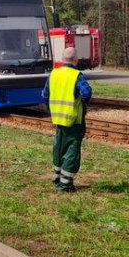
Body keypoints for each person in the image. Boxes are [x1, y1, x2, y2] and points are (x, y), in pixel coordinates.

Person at [42, 47, 92, 192]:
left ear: (62, 60)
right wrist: (81, 105)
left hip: (58, 119)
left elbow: (45, 95)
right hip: (74, 120)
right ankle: (65, 184)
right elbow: (86, 92)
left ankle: (57, 177)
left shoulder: (54, 74)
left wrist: (52, 110)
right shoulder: (76, 75)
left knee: (59, 147)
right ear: (75, 60)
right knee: (72, 150)